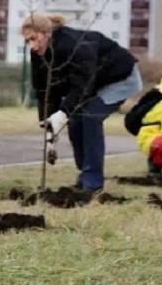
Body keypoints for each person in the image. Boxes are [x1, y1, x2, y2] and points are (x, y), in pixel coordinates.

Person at [23, 13, 143, 193]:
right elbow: (45, 90)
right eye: (27, 41)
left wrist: (62, 113)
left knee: (89, 117)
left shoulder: (75, 46)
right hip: (94, 81)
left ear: (46, 33)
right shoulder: (39, 53)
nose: (31, 46)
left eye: (34, 38)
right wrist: (49, 127)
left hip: (121, 78)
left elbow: (82, 86)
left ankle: (92, 184)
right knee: (75, 120)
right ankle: (85, 174)